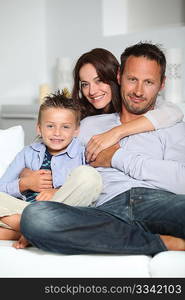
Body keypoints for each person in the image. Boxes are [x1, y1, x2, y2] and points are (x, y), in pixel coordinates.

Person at [20, 42, 185, 255]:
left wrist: (116, 157)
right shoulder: (89, 125)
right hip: (105, 208)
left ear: (162, 84)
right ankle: (161, 243)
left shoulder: (172, 124)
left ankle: (117, 238)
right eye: (132, 79)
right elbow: (41, 155)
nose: (138, 91)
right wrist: (28, 176)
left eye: (149, 82)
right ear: (119, 77)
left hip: (158, 202)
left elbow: (181, 181)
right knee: (36, 218)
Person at [0, 91, 102, 247]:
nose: (57, 133)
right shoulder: (27, 153)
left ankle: (34, 228)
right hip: (26, 211)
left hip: (63, 212)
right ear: (39, 128)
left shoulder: (82, 153)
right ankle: (29, 229)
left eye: (65, 127)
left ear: (76, 130)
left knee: (89, 176)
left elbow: (90, 190)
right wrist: (25, 183)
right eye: (50, 126)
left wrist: (58, 191)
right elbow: (2, 187)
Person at [72, 48, 183, 162]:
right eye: (85, 84)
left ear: (116, 77)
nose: (91, 91)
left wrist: (116, 132)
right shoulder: (84, 119)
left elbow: (174, 112)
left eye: (99, 80)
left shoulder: (138, 104)